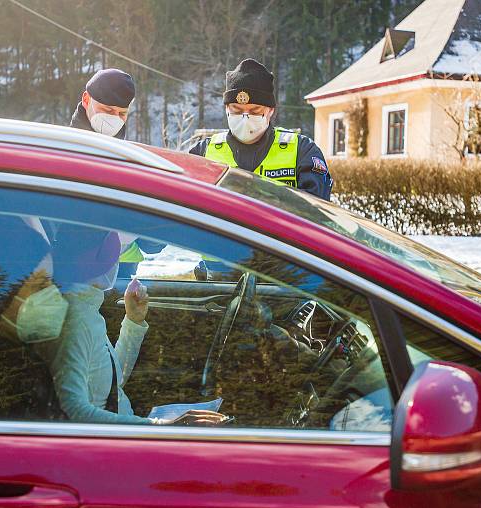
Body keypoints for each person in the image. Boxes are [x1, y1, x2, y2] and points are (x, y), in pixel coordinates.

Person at [51, 224, 225, 425]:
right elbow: (75, 413)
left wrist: (133, 321)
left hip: (127, 434)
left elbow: (112, 383)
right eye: (113, 258)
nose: (115, 263)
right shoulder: (74, 320)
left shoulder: (84, 309)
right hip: (117, 444)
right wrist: (160, 427)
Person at [190, 58, 334, 200]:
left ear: (270, 110)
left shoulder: (302, 151)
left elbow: (316, 211)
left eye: (254, 111)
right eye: (237, 110)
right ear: (226, 109)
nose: (245, 117)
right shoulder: (202, 152)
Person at [69, 68, 135, 139]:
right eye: (108, 110)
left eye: (122, 113)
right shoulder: (65, 146)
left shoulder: (127, 149)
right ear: (86, 100)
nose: (114, 118)